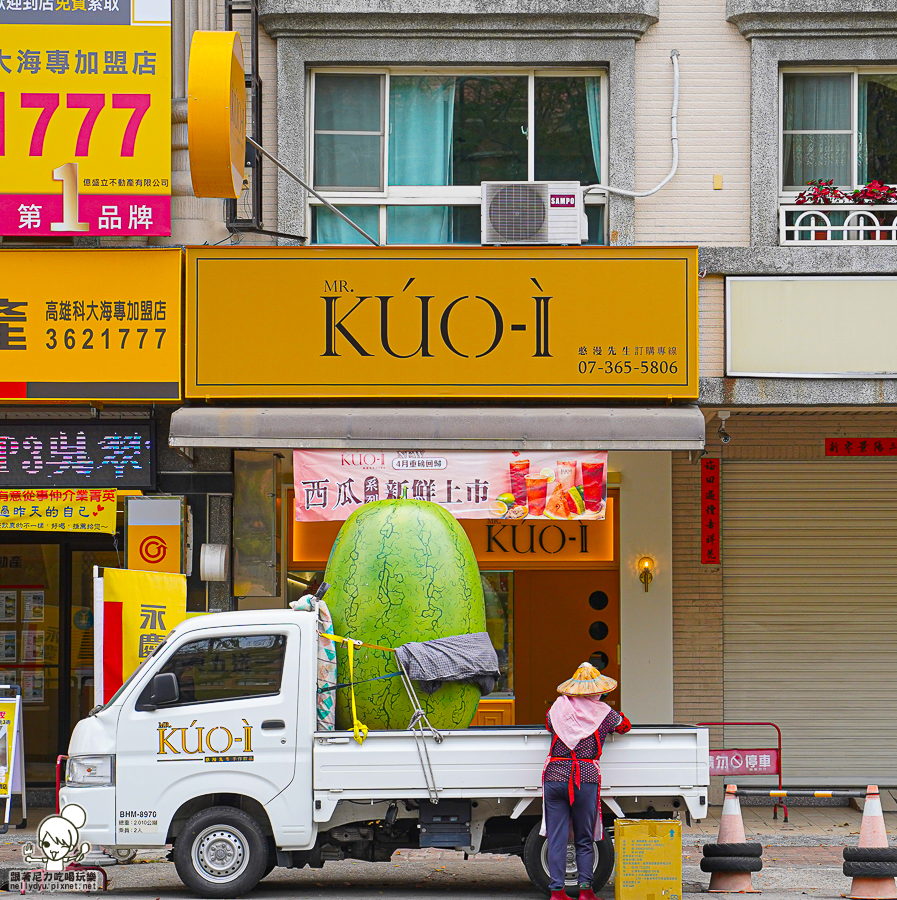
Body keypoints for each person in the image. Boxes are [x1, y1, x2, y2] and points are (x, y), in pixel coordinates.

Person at [541, 662, 631, 900]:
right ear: (598, 690)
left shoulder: (557, 709)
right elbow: (625, 726)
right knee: (584, 838)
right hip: (584, 778)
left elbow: (548, 723)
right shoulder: (605, 714)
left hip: (555, 776)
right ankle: (585, 891)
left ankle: (557, 892)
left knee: (557, 837)